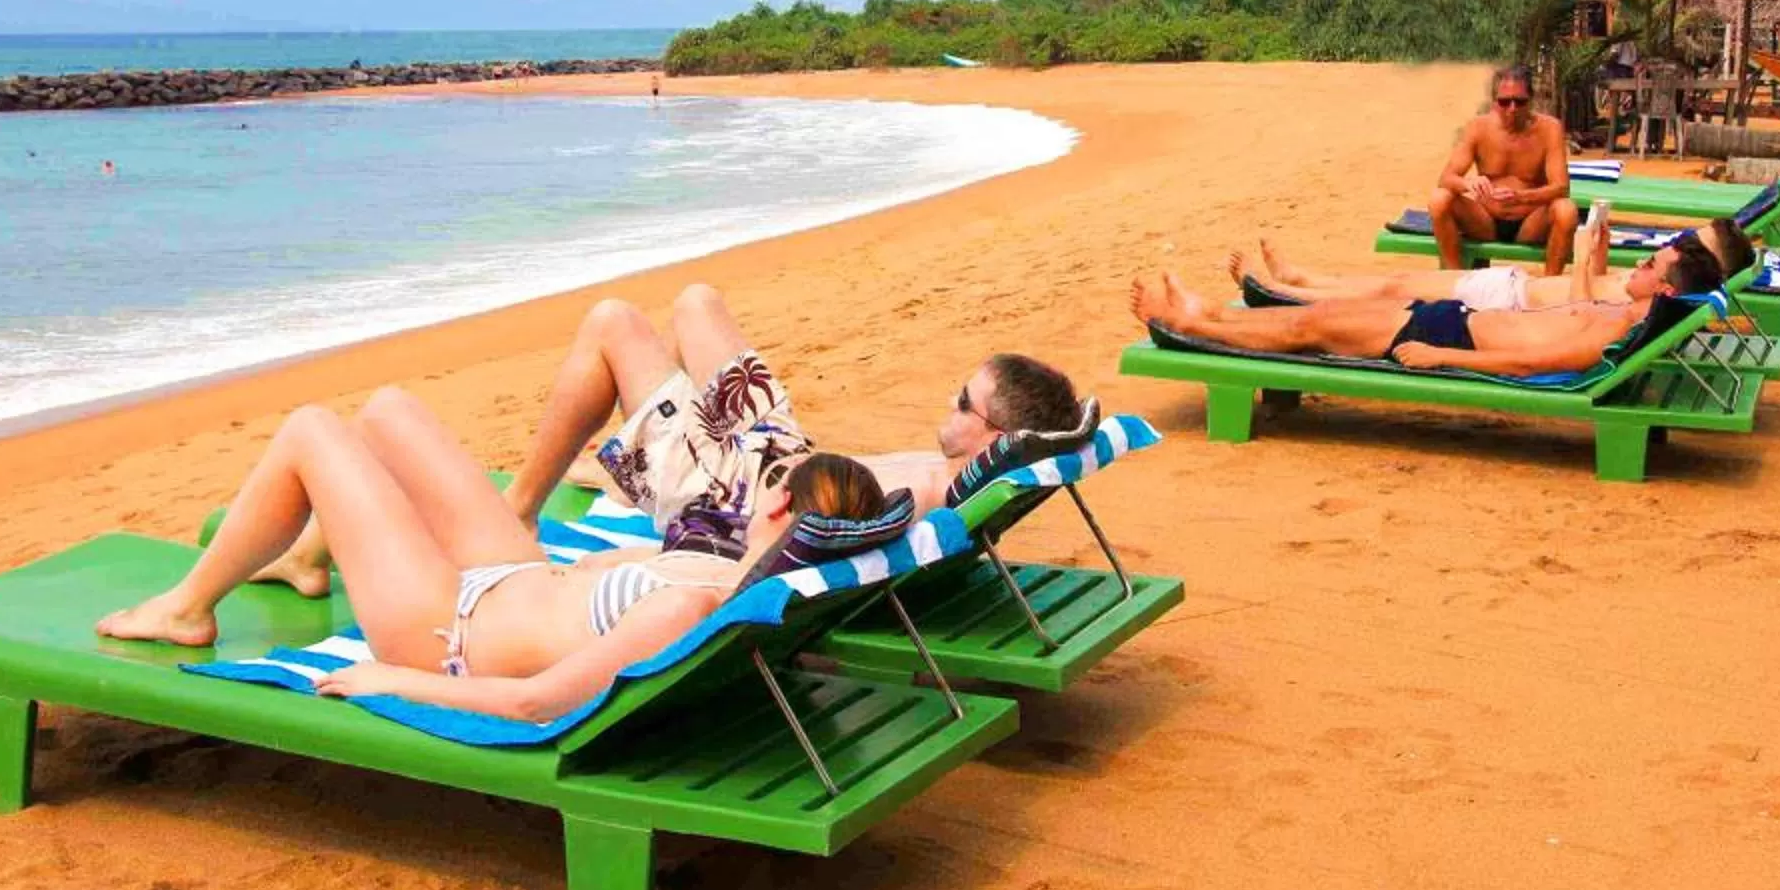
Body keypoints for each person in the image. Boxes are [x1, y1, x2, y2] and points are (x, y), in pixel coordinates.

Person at [244, 283, 1083, 593]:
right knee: (697, 304)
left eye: (961, 399)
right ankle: (641, 458)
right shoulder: (960, 475)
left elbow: (774, 538)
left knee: (611, 323)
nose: (948, 401)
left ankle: (526, 505)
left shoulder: (946, 486)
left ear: (993, 435)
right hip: (777, 445)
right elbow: (1049, 440)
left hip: (744, 488)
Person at [97, 409, 891, 725]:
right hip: (513, 576)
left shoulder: (694, 611)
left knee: (312, 430)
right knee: (388, 412)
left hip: (448, 631)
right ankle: (308, 553)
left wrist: (394, 681)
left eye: (775, 484)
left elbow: (538, 700)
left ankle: (187, 606)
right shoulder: (731, 570)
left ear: (781, 510)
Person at [1130, 229, 1727, 376]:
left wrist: (1445, 360)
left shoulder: (1615, 331)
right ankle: (1208, 316)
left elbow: (1534, 365)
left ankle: (1192, 322)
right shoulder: (1625, 314)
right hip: (1459, 323)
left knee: (1312, 329)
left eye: (1652, 266)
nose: (1641, 266)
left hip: (1452, 340)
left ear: (1668, 290)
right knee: (1320, 319)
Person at [1234, 214, 1754, 314]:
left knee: (1390, 294)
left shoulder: (1663, 291)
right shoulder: (1659, 284)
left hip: (1505, 302)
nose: (1680, 244)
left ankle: (1289, 296)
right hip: (1510, 285)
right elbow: (1594, 285)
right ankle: (1302, 280)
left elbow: (1578, 309)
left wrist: (1577, 261)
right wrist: (1597, 249)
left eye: (1691, 243)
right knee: (1394, 280)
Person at [1426, 65, 1576, 273]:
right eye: (1504, 102)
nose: (1512, 109)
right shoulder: (1478, 128)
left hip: (1530, 223)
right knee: (1439, 199)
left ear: (1531, 100)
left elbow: (1561, 187)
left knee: (1566, 210)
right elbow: (1446, 178)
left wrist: (1521, 197)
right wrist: (1468, 183)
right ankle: (1455, 278)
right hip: (1485, 221)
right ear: (1494, 101)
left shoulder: (1549, 129)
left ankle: (1550, 284)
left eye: (1520, 102)